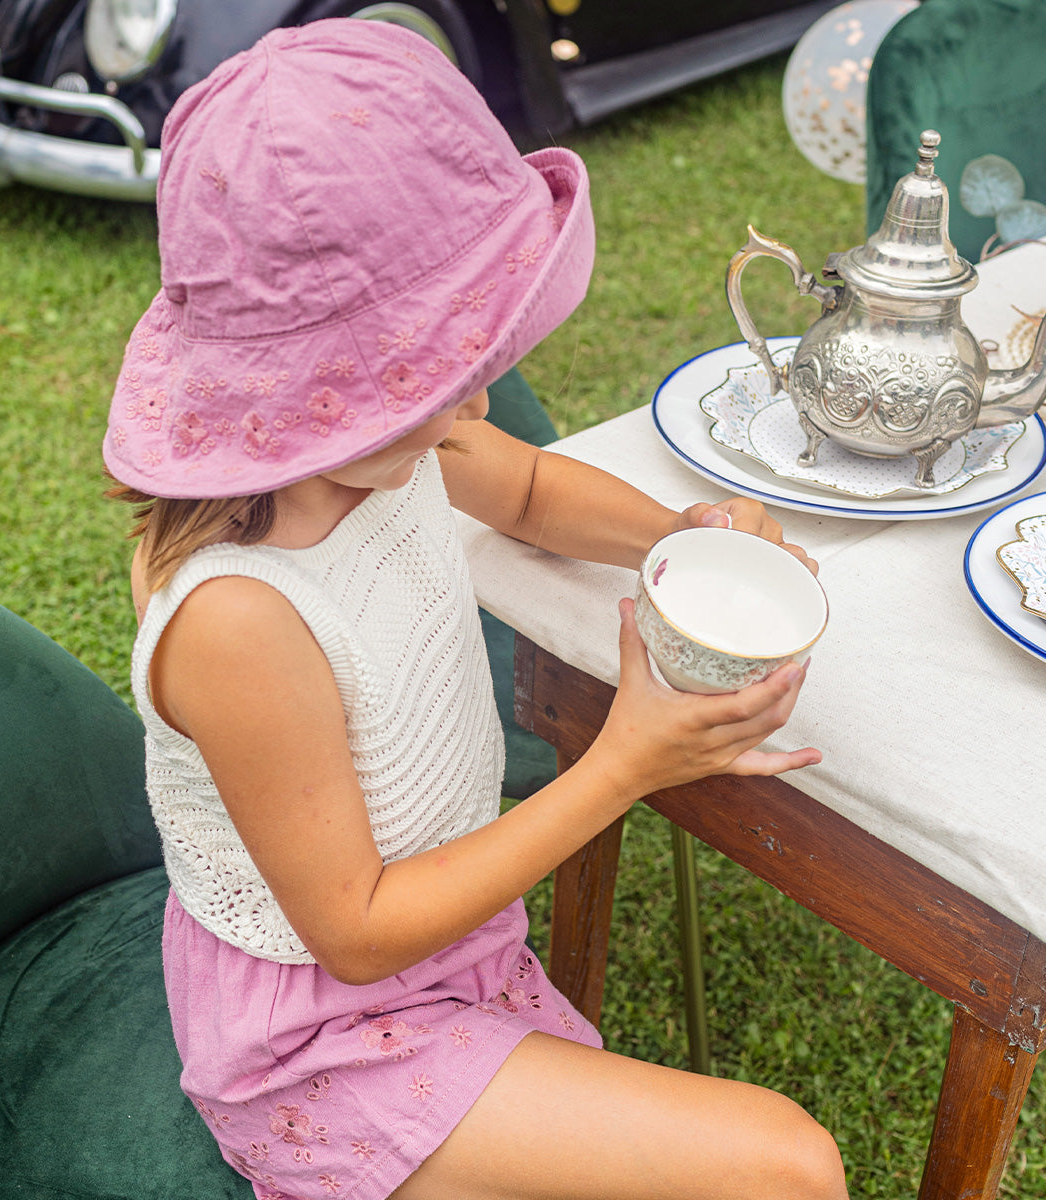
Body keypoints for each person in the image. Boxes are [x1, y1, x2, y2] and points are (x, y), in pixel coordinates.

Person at [103, 19, 846, 1200]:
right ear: (321, 390)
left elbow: (535, 489)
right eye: (443, 361)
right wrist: (623, 765)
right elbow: (355, 927)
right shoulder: (243, 618)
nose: (481, 389)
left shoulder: (385, 441)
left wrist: (682, 541)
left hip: (451, 943)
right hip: (322, 1036)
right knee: (787, 1167)